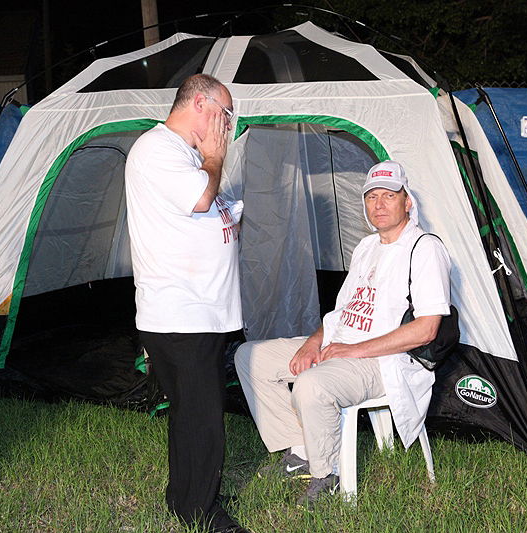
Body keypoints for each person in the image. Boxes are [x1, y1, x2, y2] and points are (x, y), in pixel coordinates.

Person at [235, 160, 452, 505]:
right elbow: (341, 313)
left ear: (407, 201)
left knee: (312, 384)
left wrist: (353, 350)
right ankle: (301, 449)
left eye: (389, 195)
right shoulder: (366, 247)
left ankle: (327, 475)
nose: (379, 204)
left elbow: (426, 330)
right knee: (250, 357)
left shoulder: (424, 248)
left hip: (387, 361)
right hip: (342, 346)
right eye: (371, 197)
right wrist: (313, 343)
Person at [124, 74, 247, 533]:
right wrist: (215, 158)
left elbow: (207, 209)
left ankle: (186, 496)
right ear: (200, 103)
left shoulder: (185, 155)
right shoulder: (157, 149)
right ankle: (202, 511)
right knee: (204, 418)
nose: (228, 126)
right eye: (225, 114)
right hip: (181, 312)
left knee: (191, 413)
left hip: (201, 312)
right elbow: (200, 198)